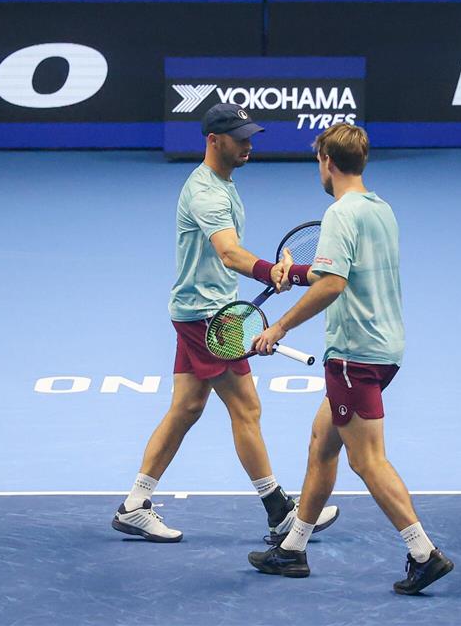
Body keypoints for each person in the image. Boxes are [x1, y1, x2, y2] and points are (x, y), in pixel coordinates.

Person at [111, 103, 339, 543]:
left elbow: (230, 254)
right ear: (214, 141)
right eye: (241, 138)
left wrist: (266, 271)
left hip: (204, 308)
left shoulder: (221, 183)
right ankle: (279, 513)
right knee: (247, 408)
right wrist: (272, 271)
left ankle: (134, 505)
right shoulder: (208, 195)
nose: (249, 145)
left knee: (187, 407)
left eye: (251, 136)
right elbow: (230, 253)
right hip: (207, 317)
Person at [246, 124, 454, 594]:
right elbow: (330, 271)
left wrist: (279, 327)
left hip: (353, 357)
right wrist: (291, 273)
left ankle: (424, 554)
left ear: (328, 163)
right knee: (323, 440)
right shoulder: (381, 210)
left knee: (367, 460)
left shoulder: (339, 213)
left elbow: (334, 284)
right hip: (384, 349)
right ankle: (294, 549)